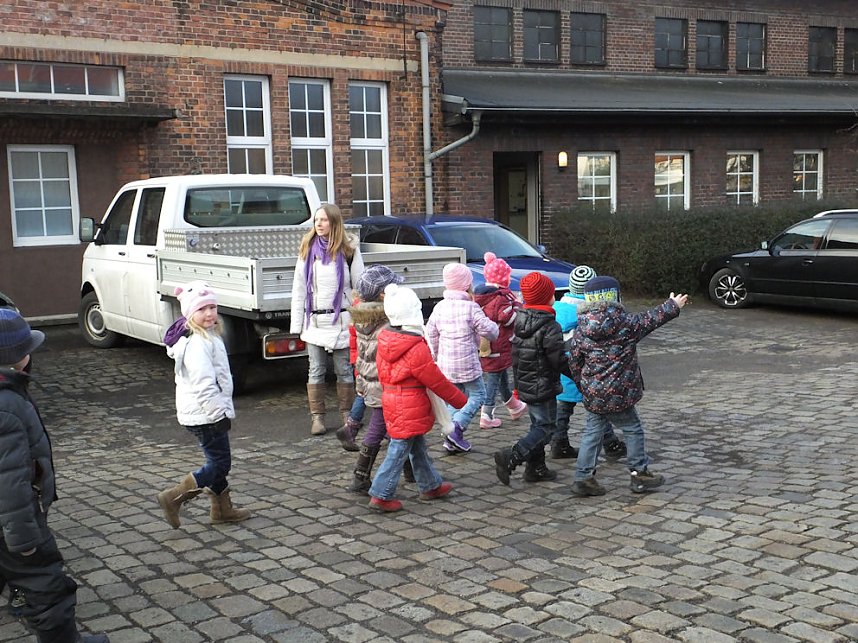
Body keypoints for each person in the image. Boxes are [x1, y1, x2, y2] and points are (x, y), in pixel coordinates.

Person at [0, 308, 110, 642]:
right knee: (46, 584)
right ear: (16, 358)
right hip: (14, 525)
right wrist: (25, 541)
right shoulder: (6, 407)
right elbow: (9, 482)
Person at [568, 276, 688, 496]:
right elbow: (651, 318)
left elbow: (574, 362)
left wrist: (583, 385)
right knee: (633, 428)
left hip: (594, 393)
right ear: (615, 297)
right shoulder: (626, 324)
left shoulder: (581, 329)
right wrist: (672, 305)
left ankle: (583, 477)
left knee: (592, 433)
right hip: (620, 393)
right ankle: (639, 474)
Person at [157, 281, 251, 528]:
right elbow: (204, 383)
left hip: (201, 412)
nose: (209, 313)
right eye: (202, 309)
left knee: (217, 460)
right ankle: (173, 497)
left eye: (212, 307)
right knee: (220, 463)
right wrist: (217, 414)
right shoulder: (197, 343)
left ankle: (222, 509)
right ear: (190, 313)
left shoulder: (206, 336)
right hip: (205, 414)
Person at [368, 284, 467, 512]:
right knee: (399, 450)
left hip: (394, 401)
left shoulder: (386, 340)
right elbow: (436, 380)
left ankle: (430, 485)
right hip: (409, 403)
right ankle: (380, 494)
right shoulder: (415, 347)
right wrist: (460, 401)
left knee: (416, 446)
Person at [291, 203, 364, 435]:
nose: (319, 225)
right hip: (315, 321)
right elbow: (299, 288)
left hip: (341, 320)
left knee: (344, 369)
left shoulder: (348, 249)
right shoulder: (307, 248)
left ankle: (347, 416)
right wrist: (296, 323)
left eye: (323, 220)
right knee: (316, 370)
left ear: (334, 222)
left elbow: (359, 287)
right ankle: (318, 418)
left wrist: (359, 319)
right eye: (316, 221)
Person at [494, 271, 566, 485]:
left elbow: (517, 355)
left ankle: (536, 468)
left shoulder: (521, 320)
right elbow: (558, 359)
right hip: (543, 384)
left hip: (527, 383)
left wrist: (517, 386)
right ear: (548, 297)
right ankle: (512, 455)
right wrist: (578, 372)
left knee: (538, 425)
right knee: (546, 429)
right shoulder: (549, 326)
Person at [552, 265, 626, 460]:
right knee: (597, 410)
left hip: (562, 368)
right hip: (586, 369)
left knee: (563, 408)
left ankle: (558, 443)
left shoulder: (557, 310)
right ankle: (611, 444)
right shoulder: (590, 314)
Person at [425, 263, 498, 453]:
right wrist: (495, 329)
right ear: (467, 285)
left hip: (446, 364)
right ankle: (456, 429)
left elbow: (431, 333)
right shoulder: (471, 307)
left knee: (454, 400)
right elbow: (488, 331)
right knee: (478, 395)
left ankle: (451, 437)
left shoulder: (439, 307)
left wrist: (435, 354)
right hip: (467, 364)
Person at [345, 264, 405, 494]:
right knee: (380, 428)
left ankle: (413, 471)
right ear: (383, 294)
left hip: (370, 381)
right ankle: (360, 475)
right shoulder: (386, 322)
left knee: (397, 430)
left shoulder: (362, 318)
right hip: (384, 384)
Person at [473, 252, 527, 428]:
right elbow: (507, 318)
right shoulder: (500, 297)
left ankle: (514, 406)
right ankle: (486, 414)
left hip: (489, 343)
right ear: (504, 278)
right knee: (494, 378)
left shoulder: (484, 296)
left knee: (502, 374)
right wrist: (518, 309)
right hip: (499, 343)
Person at [335, 294, 366, 452]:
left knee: (364, 393)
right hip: (369, 360)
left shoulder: (356, 308)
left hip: (359, 359)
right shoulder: (368, 311)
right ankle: (350, 428)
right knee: (371, 393)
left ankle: (350, 428)